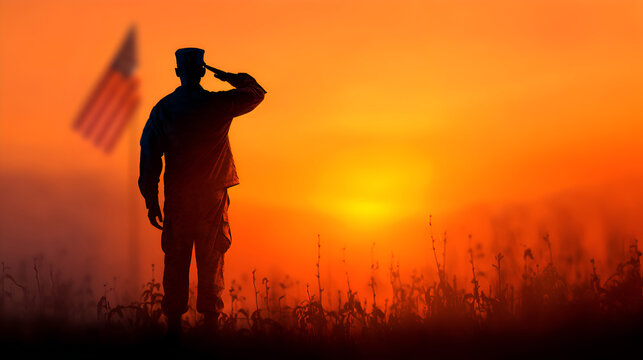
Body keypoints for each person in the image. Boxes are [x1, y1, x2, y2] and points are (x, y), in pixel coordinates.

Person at [138, 47, 265, 336]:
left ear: (178, 72)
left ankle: (173, 329)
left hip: (179, 198)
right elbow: (256, 93)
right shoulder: (218, 104)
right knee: (211, 261)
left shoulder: (164, 109)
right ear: (203, 71)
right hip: (211, 198)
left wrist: (150, 198)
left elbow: (149, 154)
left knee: (176, 261)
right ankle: (210, 327)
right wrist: (231, 77)